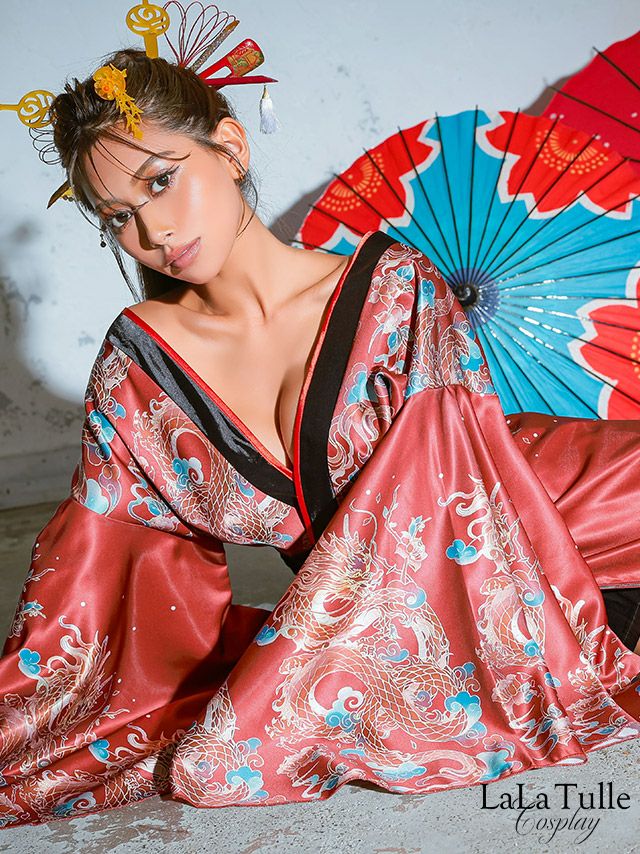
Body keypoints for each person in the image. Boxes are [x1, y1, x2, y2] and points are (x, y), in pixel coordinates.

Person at [1, 48, 639, 829]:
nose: (153, 230)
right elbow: (102, 571)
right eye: (116, 217)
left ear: (230, 148)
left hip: (546, 507)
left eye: (161, 181)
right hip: (407, 590)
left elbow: (441, 504)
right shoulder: (138, 368)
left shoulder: (397, 288)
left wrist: (307, 663)